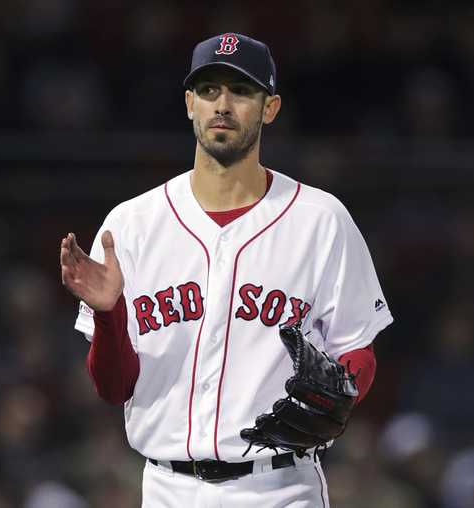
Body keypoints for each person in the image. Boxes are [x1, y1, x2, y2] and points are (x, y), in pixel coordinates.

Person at [60, 32, 393, 507]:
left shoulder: (321, 220)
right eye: (211, 90)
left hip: (280, 487)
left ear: (270, 108)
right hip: (166, 488)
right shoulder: (131, 225)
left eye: (241, 91)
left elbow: (357, 348)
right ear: (190, 103)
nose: (224, 104)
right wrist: (110, 315)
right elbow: (114, 389)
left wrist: (343, 392)